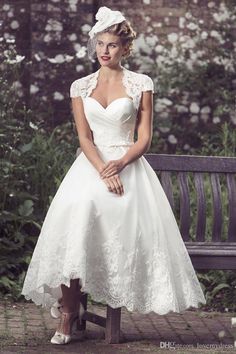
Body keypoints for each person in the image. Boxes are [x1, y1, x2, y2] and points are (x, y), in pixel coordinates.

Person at [22, 6, 206, 346]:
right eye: (100, 44)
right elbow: (84, 138)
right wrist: (102, 169)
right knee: (75, 214)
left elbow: (145, 138)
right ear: (95, 46)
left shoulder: (141, 84)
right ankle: (68, 311)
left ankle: (96, 308)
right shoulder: (80, 86)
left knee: (115, 214)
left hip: (127, 164)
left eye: (112, 45)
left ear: (125, 49)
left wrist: (119, 164)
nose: (104, 51)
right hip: (91, 165)